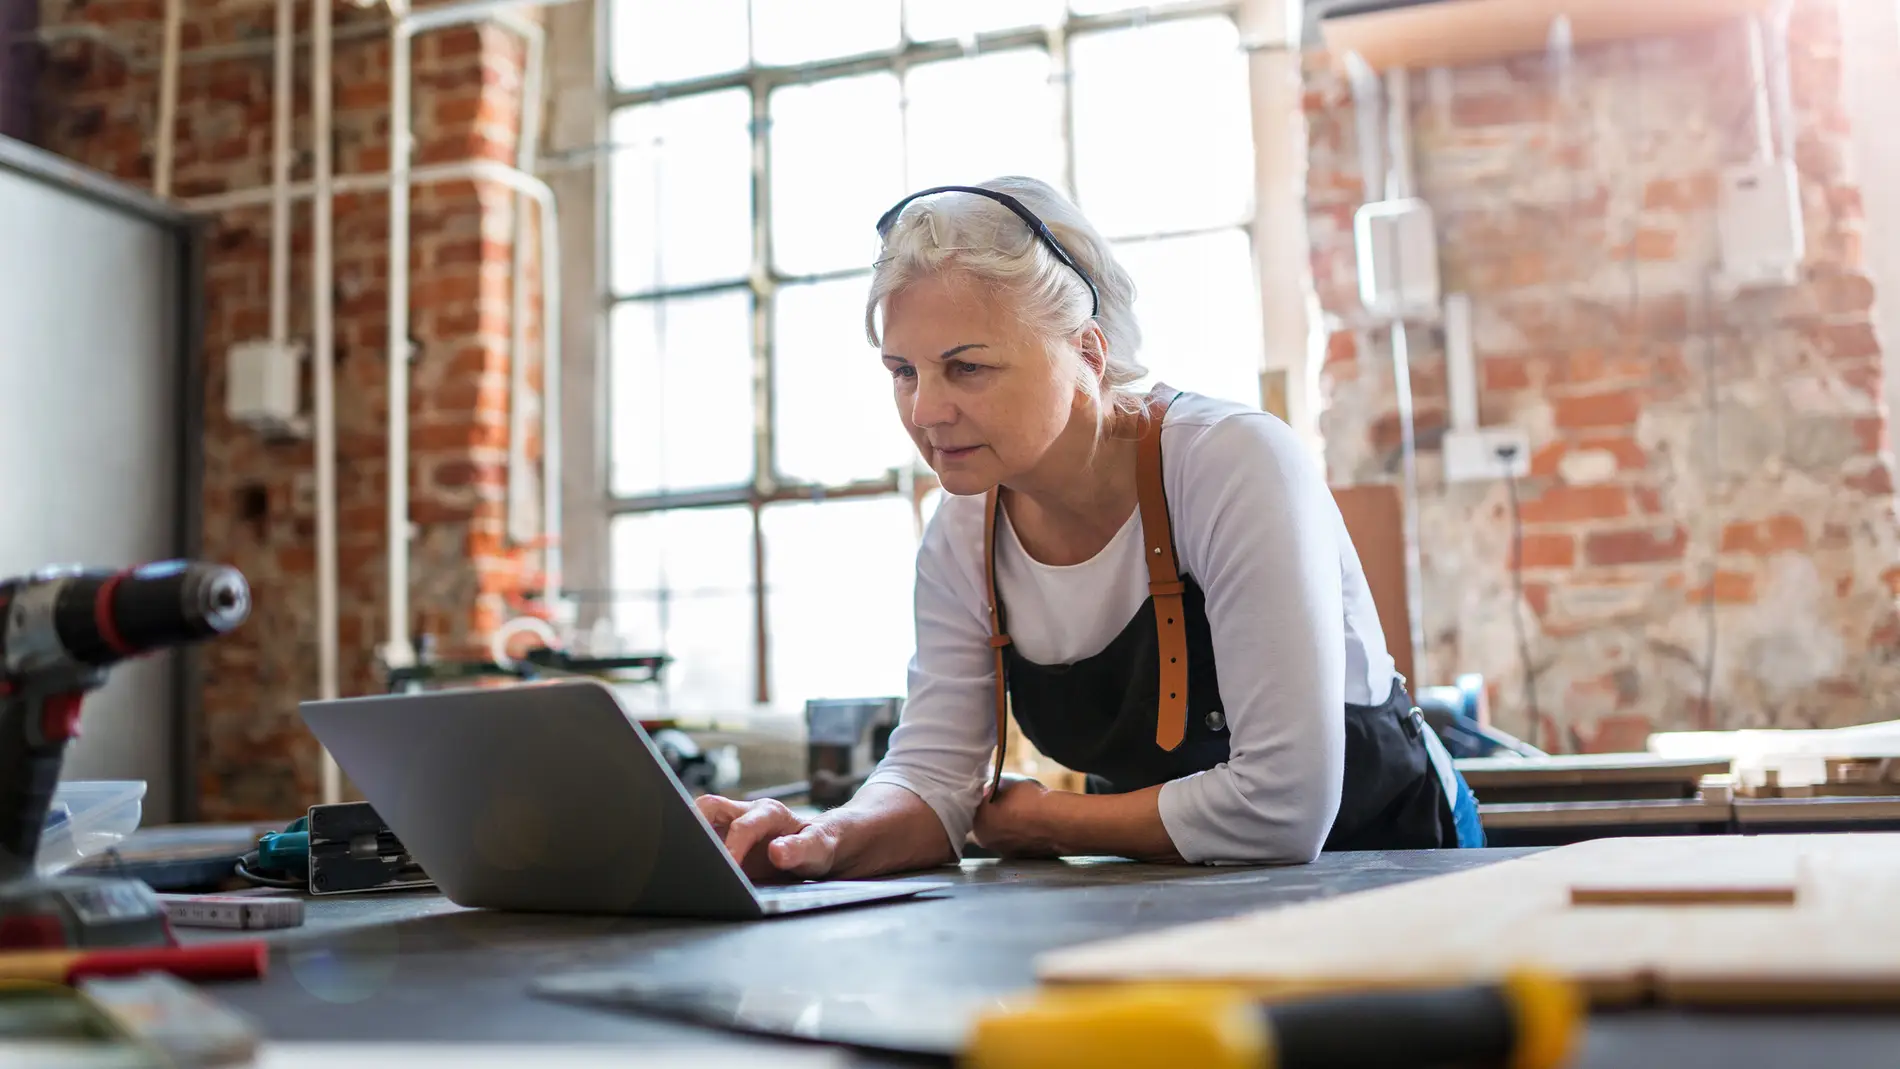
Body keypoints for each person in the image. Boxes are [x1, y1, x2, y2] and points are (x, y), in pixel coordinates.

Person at [693, 176, 1484, 883]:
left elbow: (1282, 807)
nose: (925, 411)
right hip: (1171, 894)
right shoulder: (962, 532)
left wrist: (1048, 821)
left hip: (1394, 872)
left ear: (1088, 352)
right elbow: (934, 779)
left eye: (967, 367)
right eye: (904, 371)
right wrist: (825, 837)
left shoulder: (1232, 463)